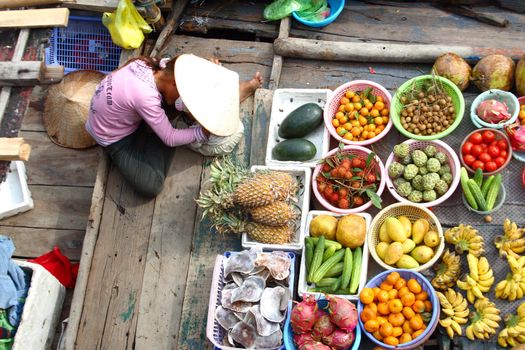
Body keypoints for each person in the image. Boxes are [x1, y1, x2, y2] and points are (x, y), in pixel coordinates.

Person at [86, 54, 262, 197]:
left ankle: (238, 92)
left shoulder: (149, 65)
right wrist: (203, 132)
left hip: (128, 114)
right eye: (182, 92)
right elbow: (170, 138)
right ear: (174, 83)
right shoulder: (145, 95)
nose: (182, 97)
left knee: (185, 105)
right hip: (113, 137)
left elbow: (175, 67)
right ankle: (153, 131)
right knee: (151, 186)